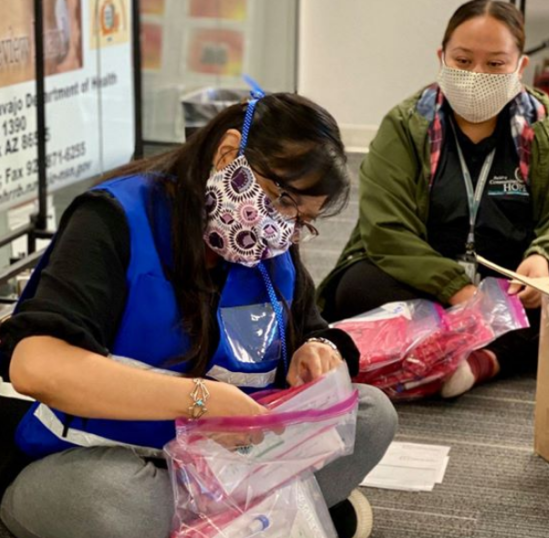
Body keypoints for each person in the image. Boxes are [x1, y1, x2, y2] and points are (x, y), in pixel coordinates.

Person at [0, 92, 398, 538]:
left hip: (222, 465)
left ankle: (256, 517)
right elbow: (35, 366)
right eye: (283, 199)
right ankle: (282, 514)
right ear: (229, 154)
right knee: (110, 506)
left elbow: (312, 327)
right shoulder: (115, 218)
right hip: (110, 461)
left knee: (370, 414)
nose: (284, 226)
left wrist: (319, 349)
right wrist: (200, 400)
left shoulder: (264, 242)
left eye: (301, 219)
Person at [317, 0, 549, 398]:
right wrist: (459, 291)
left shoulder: (548, 128)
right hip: (425, 281)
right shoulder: (406, 125)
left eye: (495, 64)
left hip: (512, 283)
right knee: (356, 287)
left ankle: (478, 360)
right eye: (463, 61)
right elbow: (386, 230)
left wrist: (545, 259)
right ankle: (499, 347)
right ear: (442, 58)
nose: (476, 75)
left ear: (520, 67)